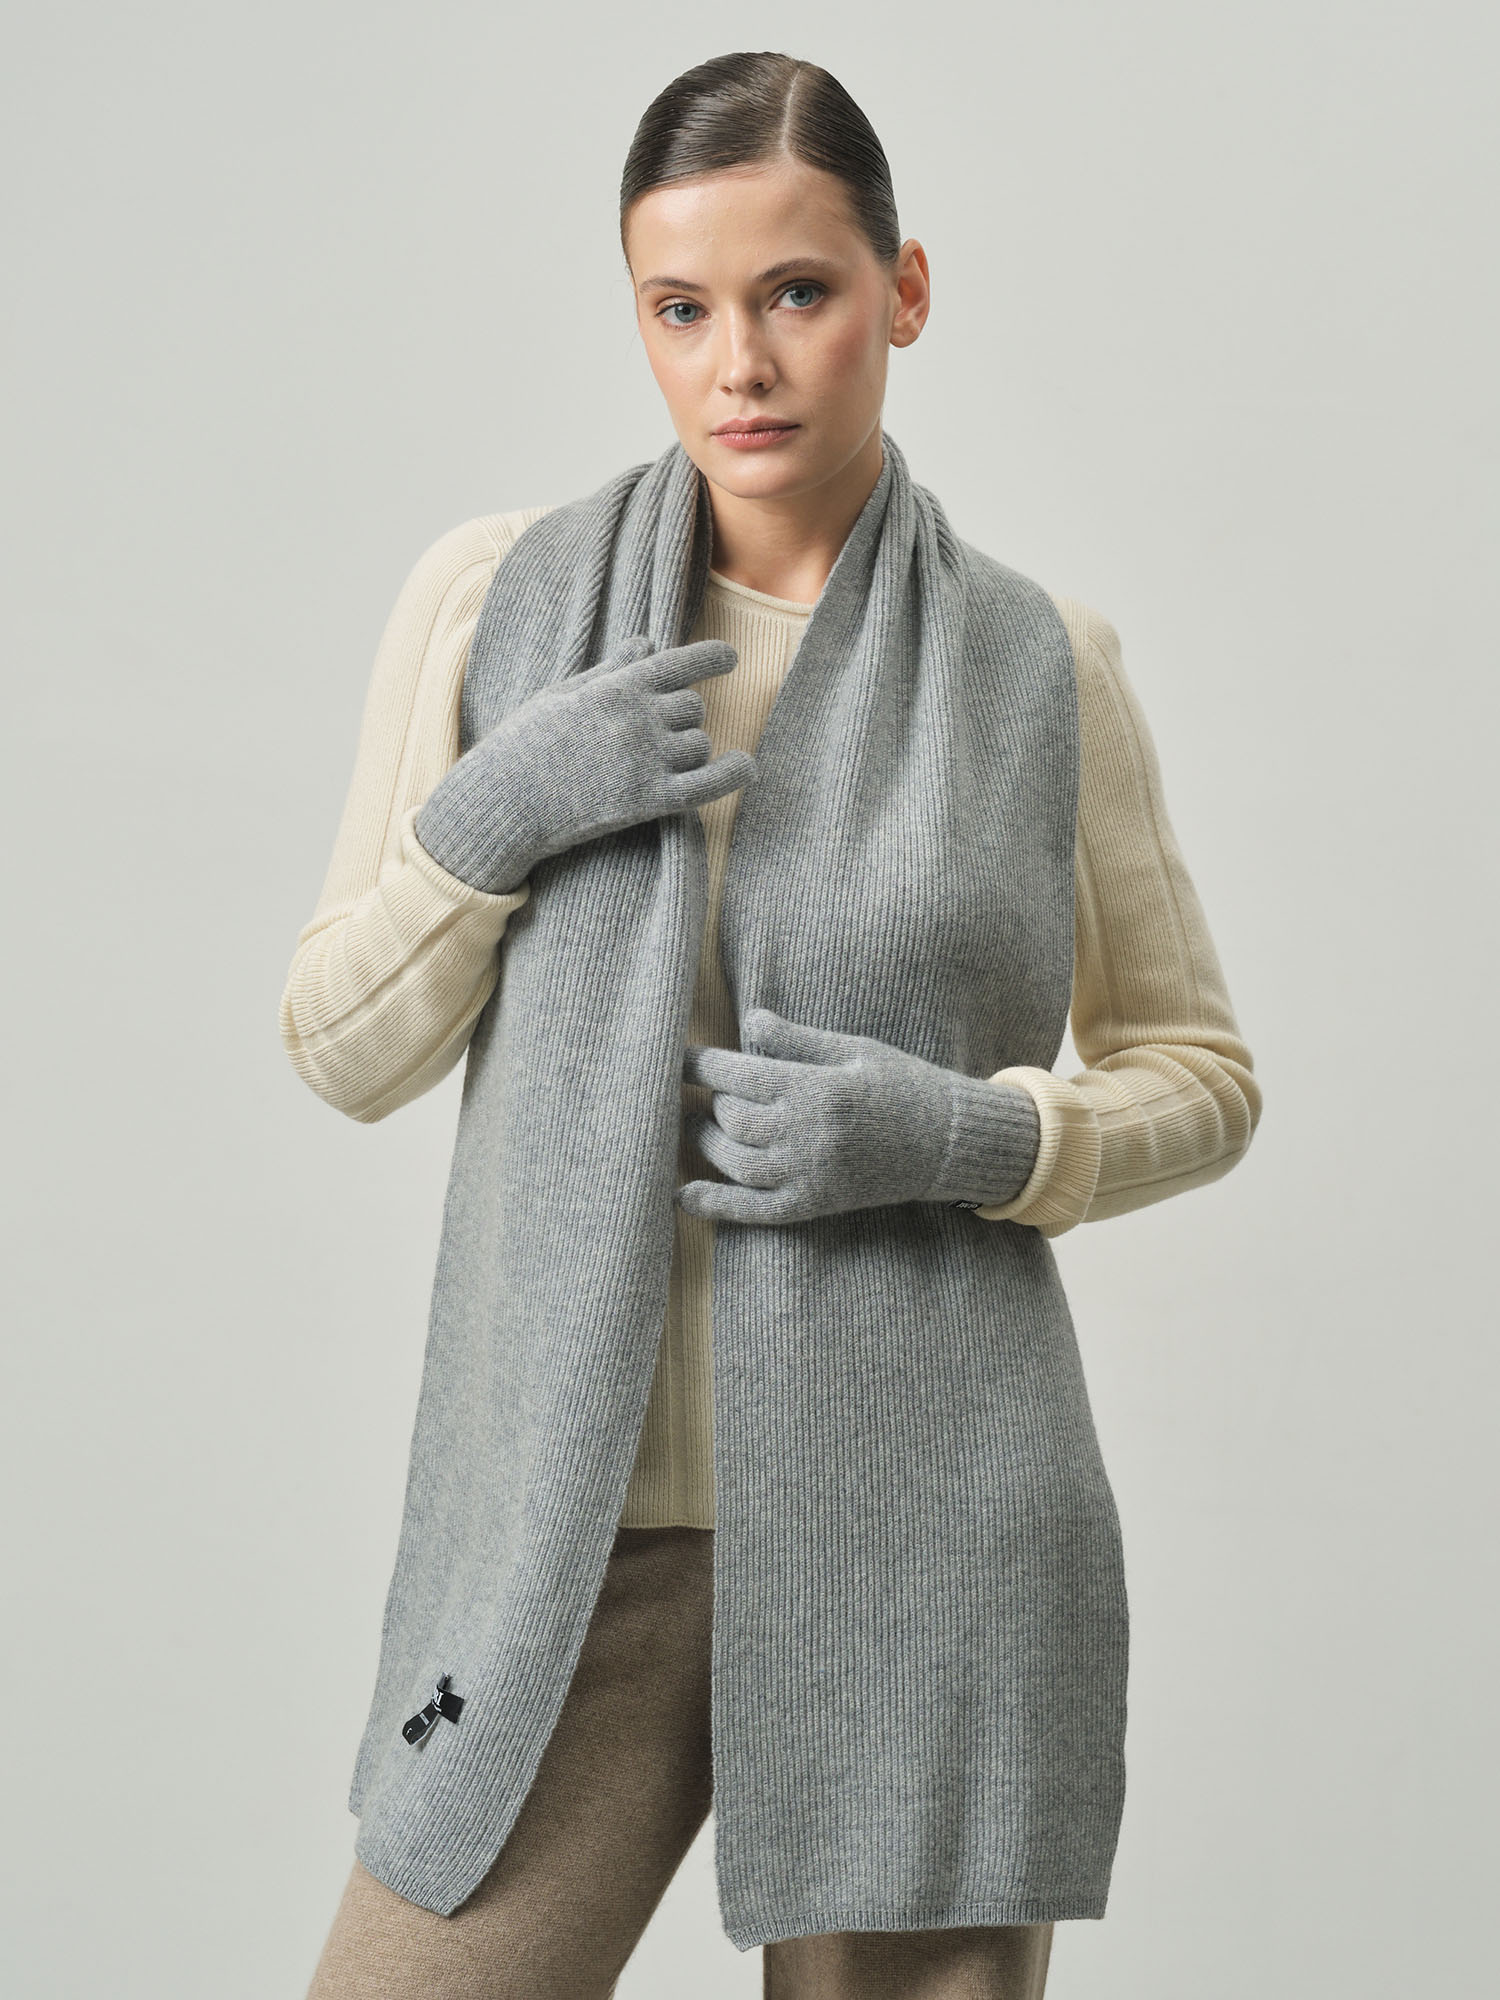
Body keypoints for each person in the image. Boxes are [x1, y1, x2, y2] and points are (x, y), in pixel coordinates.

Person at [282, 49, 1262, 2000]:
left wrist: (968, 1135)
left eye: (797, 292)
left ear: (905, 290)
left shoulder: (1041, 663)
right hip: (568, 1552)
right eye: (681, 307)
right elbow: (342, 1045)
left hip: (933, 1543)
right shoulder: (500, 605)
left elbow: (1203, 1076)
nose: (738, 362)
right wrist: (496, 816)